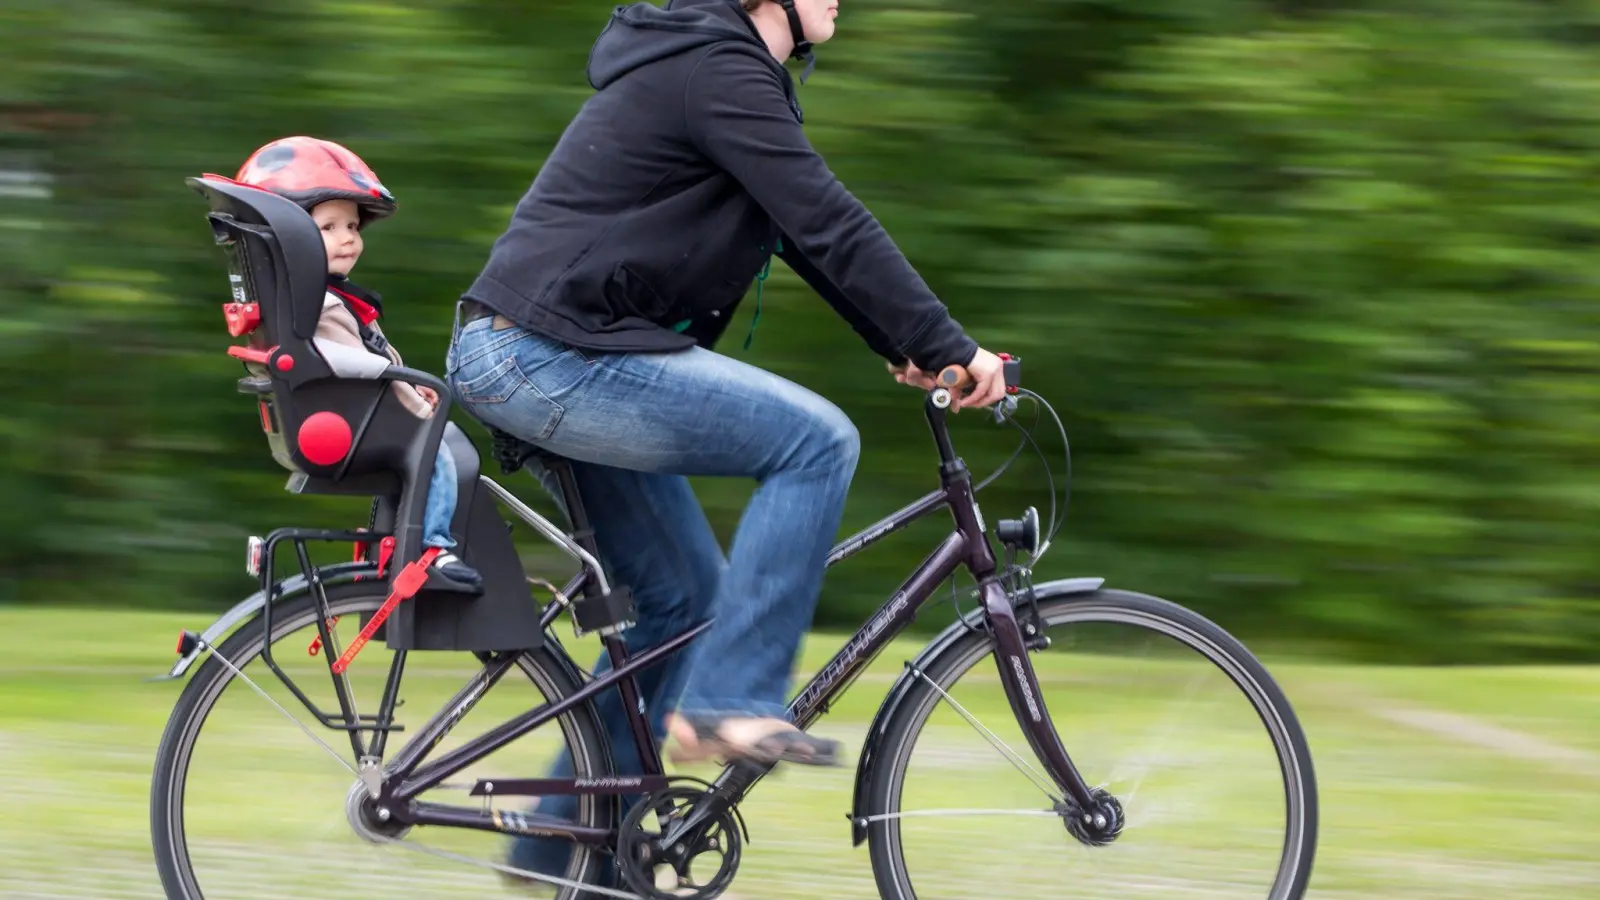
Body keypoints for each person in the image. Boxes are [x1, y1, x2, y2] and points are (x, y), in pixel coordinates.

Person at [442, 0, 1007, 884]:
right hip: (546, 356)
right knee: (817, 443)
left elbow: (805, 236)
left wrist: (909, 347)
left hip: (543, 350)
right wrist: (948, 345)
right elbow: (832, 220)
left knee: (687, 602)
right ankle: (732, 702)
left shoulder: (721, 73)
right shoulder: (721, 70)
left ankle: (561, 841)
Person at [236, 136, 483, 589]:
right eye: (328, 228)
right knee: (439, 458)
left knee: (436, 442)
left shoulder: (318, 299)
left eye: (352, 226)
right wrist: (406, 385)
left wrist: (411, 387)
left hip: (364, 412)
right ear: (292, 242)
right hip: (358, 420)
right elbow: (350, 360)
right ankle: (433, 551)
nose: (347, 238)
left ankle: (405, 546)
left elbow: (371, 355)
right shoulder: (321, 304)